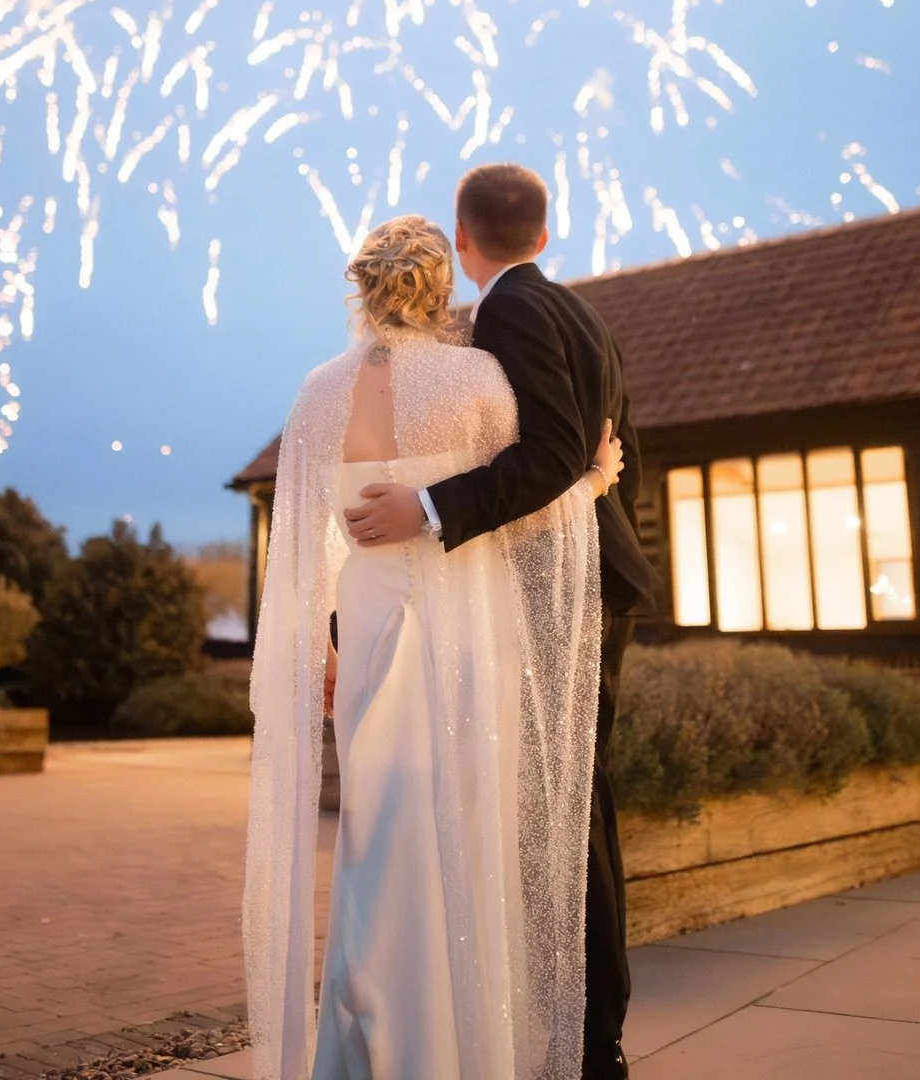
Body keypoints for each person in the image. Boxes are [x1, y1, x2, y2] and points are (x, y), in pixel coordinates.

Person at [244, 213, 622, 1080]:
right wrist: (594, 478)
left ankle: (367, 1034)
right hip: (463, 631)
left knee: (377, 833)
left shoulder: (316, 393)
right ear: (439, 288)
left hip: (369, 628)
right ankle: (449, 1044)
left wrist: (324, 649)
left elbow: (303, 546)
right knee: (461, 825)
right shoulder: (476, 377)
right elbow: (519, 499)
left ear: (362, 287)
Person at [344, 166, 655, 1080]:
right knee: (573, 804)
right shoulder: (580, 311)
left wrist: (431, 509)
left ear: (463, 237)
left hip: (567, 588)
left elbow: (554, 450)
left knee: (565, 808)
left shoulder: (511, 316)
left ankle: (590, 1038)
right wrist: (598, 481)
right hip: (598, 570)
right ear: (545, 235)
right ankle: (573, 1024)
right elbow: (599, 451)